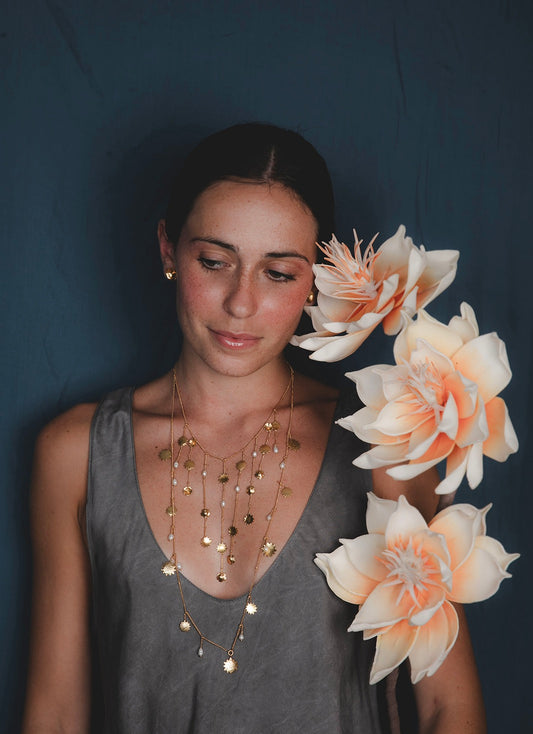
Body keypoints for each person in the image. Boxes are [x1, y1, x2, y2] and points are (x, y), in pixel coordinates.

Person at [22, 123, 486, 733]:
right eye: (214, 261)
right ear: (168, 250)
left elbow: (447, 707)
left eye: (279, 273)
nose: (240, 302)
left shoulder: (387, 442)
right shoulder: (76, 453)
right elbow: (54, 715)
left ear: (318, 275)